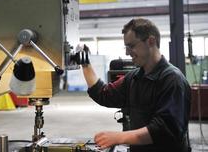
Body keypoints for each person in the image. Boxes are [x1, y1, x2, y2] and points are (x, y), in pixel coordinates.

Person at [79, 18, 191, 152]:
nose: (127, 52)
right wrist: (85, 63)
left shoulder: (172, 80)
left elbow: (164, 130)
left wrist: (119, 137)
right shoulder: (134, 78)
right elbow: (104, 94)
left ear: (151, 41)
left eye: (131, 46)